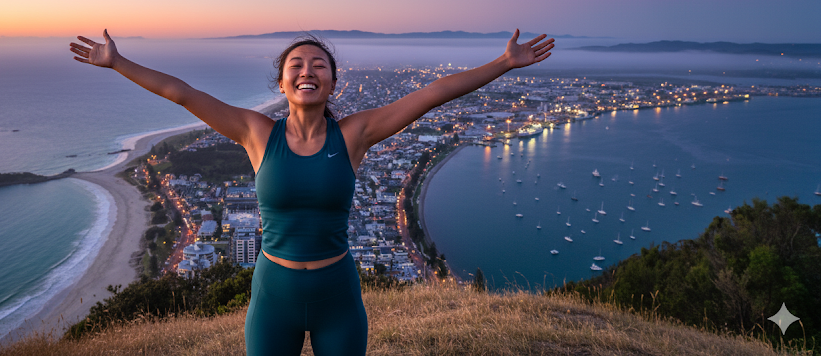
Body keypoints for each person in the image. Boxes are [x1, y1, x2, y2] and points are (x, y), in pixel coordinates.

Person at [70, 29, 553, 355]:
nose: (307, 70)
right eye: (296, 64)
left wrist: (503, 63)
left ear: (332, 81)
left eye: (318, 65)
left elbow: (433, 93)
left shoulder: (354, 134)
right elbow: (180, 92)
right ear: (281, 82)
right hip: (273, 296)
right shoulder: (257, 132)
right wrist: (117, 62)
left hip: (337, 297)